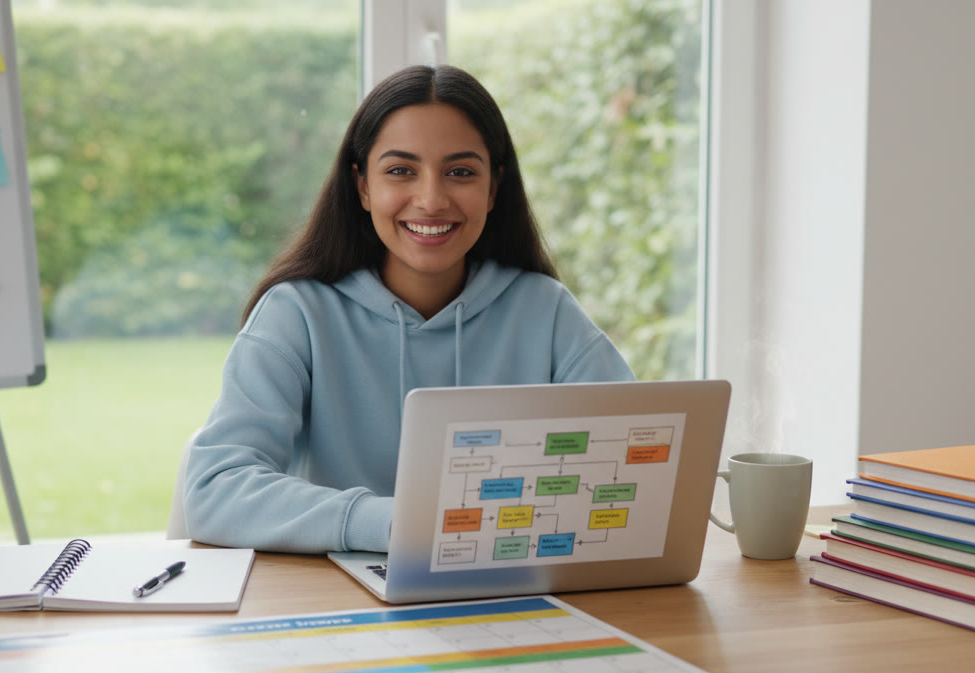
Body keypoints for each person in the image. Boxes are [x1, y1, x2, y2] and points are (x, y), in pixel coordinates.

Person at [182, 64, 635, 554]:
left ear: (493, 186)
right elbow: (213, 492)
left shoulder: (546, 311)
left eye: (460, 172)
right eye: (401, 171)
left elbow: (637, 463)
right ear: (362, 185)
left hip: (507, 586)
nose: (431, 199)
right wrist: (393, 524)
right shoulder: (296, 314)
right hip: (339, 603)